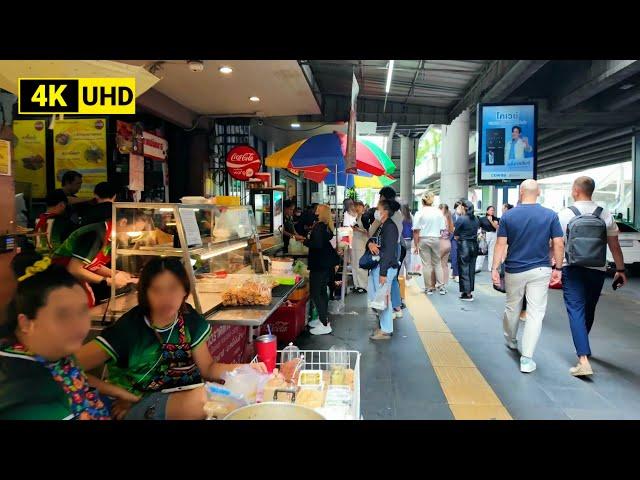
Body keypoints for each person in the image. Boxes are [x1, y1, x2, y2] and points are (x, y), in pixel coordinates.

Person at [75, 257, 266, 420]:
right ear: (144, 293)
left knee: (231, 395)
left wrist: (247, 368)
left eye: (173, 288)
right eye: (157, 290)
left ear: (185, 290)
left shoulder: (189, 320)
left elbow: (208, 368)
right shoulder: (130, 329)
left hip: (181, 395)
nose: (166, 298)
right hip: (138, 402)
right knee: (207, 400)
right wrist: (120, 394)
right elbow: (67, 366)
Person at [0, 257, 111, 419]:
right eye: (63, 315)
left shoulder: (55, 350)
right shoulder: (26, 391)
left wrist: (120, 393)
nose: (79, 325)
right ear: (25, 323)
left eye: (82, 311)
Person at [491, 179, 564, 374]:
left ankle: (511, 339)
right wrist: (558, 267)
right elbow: (558, 243)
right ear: (538, 192)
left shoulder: (509, 216)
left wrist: (494, 268)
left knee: (512, 306)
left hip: (514, 268)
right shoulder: (550, 215)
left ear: (520, 193)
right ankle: (527, 358)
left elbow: (500, 245)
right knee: (535, 313)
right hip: (541, 269)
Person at [557, 176, 627, 377]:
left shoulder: (565, 214)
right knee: (589, 308)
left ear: (575, 191)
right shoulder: (605, 214)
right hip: (597, 269)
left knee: (575, 309)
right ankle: (583, 345)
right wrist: (620, 271)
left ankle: (583, 359)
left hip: (572, 268)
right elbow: (614, 246)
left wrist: (557, 267)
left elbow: (559, 243)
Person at [52, 183, 134, 307]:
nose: (130, 237)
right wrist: (108, 280)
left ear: (95, 195)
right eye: (132, 232)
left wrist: (115, 274)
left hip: (80, 280)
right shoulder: (97, 232)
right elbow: (75, 267)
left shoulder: (107, 231)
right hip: (63, 281)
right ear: (123, 222)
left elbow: (91, 263)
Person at [367, 199, 401, 340]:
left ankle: (386, 330)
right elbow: (373, 240)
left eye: (378, 208)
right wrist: (370, 244)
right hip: (380, 266)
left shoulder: (390, 227)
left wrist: (383, 273)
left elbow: (389, 252)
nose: (376, 211)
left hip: (384, 267)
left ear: (385, 211)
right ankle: (384, 326)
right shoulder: (383, 225)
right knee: (379, 298)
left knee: (383, 298)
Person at [368, 187, 404, 317]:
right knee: (392, 279)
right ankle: (396, 307)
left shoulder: (388, 217)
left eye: (380, 197)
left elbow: (372, 232)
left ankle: (389, 311)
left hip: (388, 249)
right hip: (396, 247)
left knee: (386, 280)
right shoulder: (398, 213)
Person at [305, 204, 339, 335]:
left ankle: (324, 323)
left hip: (319, 264)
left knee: (315, 292)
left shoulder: (319, 226)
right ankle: (322, 319)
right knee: (322, 291)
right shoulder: (326, 226)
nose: (316, 210)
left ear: (322, 211)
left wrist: (305, 241)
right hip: (326, 263)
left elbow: (317, 245)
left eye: (318, 208)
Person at [413, 191, 446, 295]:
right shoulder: (438, 212)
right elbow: (442, 229)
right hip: (436, 239)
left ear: (422, 201)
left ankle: (428, 288)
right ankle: (441, 287)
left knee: (426, 264)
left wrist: (416, 245)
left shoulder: (420, 213)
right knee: (437, 263)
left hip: (423, 239)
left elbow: (416, 230)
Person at [454, 200, 480, 302]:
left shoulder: (461, 219)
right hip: (474, 245)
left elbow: (456, 234)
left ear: (464, 208)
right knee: (471, 269)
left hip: (464, 245)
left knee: (464, 268)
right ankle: (469, 292)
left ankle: (466, 294)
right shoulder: (476, 219)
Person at [350, 201, 369, 294]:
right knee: (354, 264)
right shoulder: (355, 217)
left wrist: (358, 229)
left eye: (359, 206)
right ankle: (356, 284)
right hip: (354, 243)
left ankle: (363, 286)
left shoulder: (365, 217)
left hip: (362, 243)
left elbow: (369, 232)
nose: (357, 208)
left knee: (361, 265)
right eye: (355, 206)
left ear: (362, 207)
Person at [434, 204, 454, 286]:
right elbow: (451, 232)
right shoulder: (449, 219)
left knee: (436, 263)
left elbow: (439, 232)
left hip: (441, 242)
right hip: (448, 243)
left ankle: (437, 283)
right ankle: (444, 283)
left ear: (442, 210)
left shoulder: (441, 219)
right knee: (444, 265)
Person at [479, 206, 500, 272]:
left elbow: (496, 227)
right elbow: (479, 228)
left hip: (493, 234)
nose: (492, 211)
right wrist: (481, 235)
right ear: (487, 211)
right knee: (482, 250)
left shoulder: (495, 219)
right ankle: (478, 267)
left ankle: (490, 267)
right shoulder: (482, 219)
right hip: (485, 234)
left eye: (493, 210)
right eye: (491, 210)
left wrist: (491, 221)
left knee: (492, 251)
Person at [400, 202, 414, 276]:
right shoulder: (410, 216)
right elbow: (413, 229)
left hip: (402, 240)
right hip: (408, 240)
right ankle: (409, 277)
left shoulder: (399, 216)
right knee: (408, 260)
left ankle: (401, 277)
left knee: (401, 259)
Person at [450, 200, 462, 283]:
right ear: (455, 208)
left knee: (460, 257)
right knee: (454, 256)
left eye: (462, 207)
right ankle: (456, 274)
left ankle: (454, 273)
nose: (460, 209)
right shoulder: (451, 217)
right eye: (459, 207)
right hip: (453, 239)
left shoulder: (464, 217)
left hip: (462, 239)